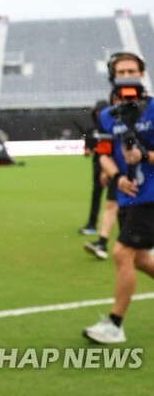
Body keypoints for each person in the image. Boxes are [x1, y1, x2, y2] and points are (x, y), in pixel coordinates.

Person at [83, 52, 154, 344]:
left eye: (132, 71)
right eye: (122, 72)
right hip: (128, 196)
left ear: (142, 73)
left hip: (151, 196)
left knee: (122, 253)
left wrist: (145, 155)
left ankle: (115, 324)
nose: (127, 76)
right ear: (113, 77)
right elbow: (103, 155)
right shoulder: (107, 116)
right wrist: (117, 177)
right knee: (138, 259)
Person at [83, 89, 121, 259]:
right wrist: (108, 170)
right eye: (116, 99)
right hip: (117, 170)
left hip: (143, 171)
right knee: (111, 205)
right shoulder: (109, 122)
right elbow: (105, 152)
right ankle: (103, 242)